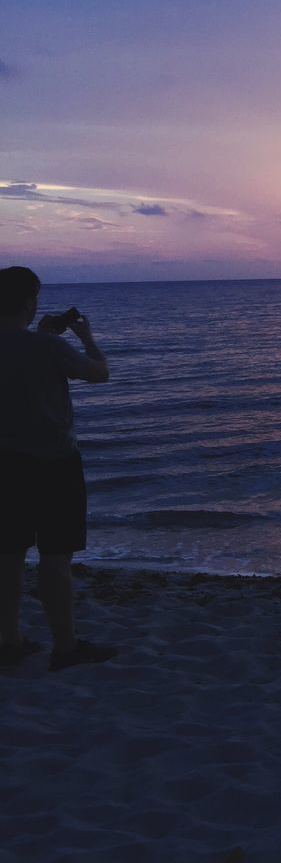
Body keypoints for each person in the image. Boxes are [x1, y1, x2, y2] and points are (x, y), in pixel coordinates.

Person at [0, 266, 117, 671]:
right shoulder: (46, 348)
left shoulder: (40, 344)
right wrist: (86, 338)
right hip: (54, 465)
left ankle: (9, 641)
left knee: (8, 556)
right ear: (30, 303)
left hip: (5, 466)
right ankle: (65, 648)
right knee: (54, 558)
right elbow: (99, 373)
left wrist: (46, 337)